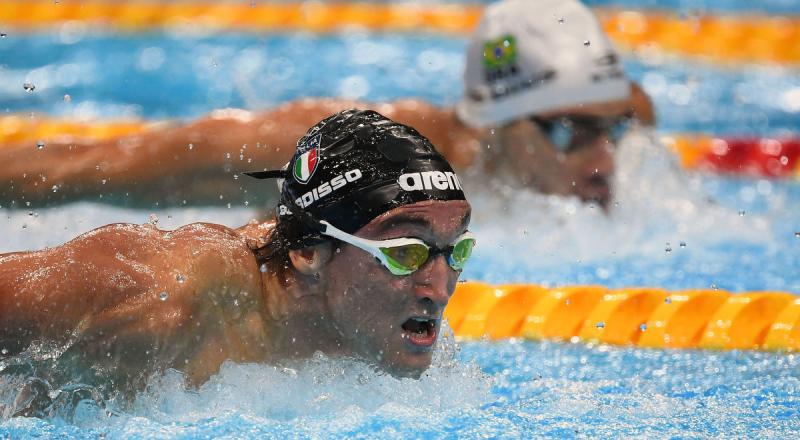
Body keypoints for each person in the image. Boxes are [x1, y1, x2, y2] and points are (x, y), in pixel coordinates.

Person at [0, 0, 654, 210]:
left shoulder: (616, 117)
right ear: (496, 125)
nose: (604, 161)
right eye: (571, 133)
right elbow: (82, 166)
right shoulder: (363, 153)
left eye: (615, 129)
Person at [0, 110, 475, 409]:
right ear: (309, 250)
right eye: (403, 253)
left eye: (456, 251)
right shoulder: (164, 293)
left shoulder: (373, 324)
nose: (440, 288)